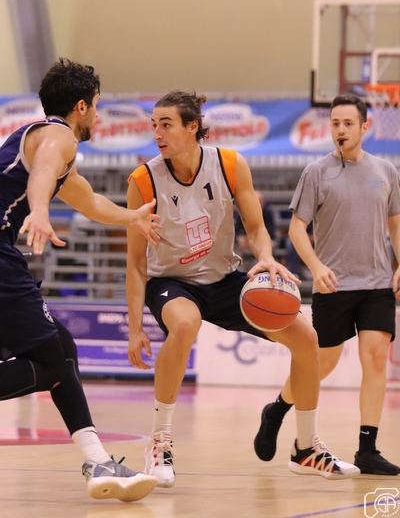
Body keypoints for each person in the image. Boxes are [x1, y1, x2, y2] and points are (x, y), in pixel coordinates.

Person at [125, 90, 360, 488]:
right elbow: (135, 261)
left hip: (225, 278)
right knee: (185, 324)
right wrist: (135, 328)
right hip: (172, 281)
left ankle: (306, 448)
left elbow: (255, 227)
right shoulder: (143, 180)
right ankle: (159, 442)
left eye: (166, 125)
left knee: (307, 338)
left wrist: (265, 257)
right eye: (154, 125)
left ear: (192, 127)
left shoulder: (230, 164)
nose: (157, 133)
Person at [0, 58, 161, 502]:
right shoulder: (59, 137)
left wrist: (133, 217)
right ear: (81, 106)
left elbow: (88, 201)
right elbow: (42, 172)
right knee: (54, 362)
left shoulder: (41, 142)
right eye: (97, 106)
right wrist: (39, 210)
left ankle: (97, 459)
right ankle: (97, 461)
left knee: (63, 347)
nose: (99, 116)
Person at [255, 94, 400, 476]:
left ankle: (367, 449)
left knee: (376, 358)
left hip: (377, 283)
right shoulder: (316, 172)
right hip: (333, 284)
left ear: (365, 126)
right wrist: (316, 267)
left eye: (348, 123)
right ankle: (277, 410)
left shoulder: (386, 170)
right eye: (335, 123)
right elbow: (297, 230)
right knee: (323, 363)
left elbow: (395, 223)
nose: (340, 129)